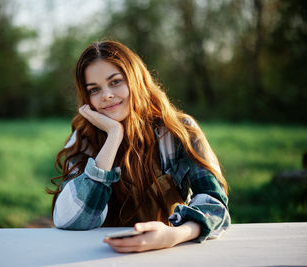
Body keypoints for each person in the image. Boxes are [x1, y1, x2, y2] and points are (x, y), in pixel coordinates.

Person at [48, 40, 230, 253]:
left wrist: (173, 235)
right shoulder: (84, 138)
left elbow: (215, 204)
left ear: (136, 80)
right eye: (94, 89)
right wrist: (113, 136)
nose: (106, 95)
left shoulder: (179, 131)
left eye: (115, 82)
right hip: (98, 255)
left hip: (168, 253)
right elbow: (70, 220)